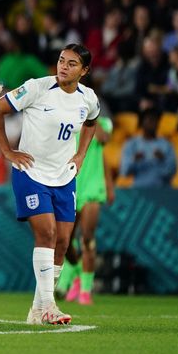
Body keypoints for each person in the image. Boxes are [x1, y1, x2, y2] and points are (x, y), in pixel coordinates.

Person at [0, 44, 101, 325]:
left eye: (72, 63)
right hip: (31, 172)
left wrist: (81, 154)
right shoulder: (36, 88)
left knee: (63, 242)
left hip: (63, 176)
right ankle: (50, 305)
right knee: (47, 233)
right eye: (62, 60)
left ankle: (38, 310)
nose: (63, 66)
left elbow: (92, 122)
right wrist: (7, 151)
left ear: (84, 71)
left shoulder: (88, 98)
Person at [57, 116, 114, 305]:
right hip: (72, 183)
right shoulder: (67, 118)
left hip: (92, 187)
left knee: (88, 238)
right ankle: (77, 272)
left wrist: (90, 118)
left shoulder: (102, 123)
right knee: (66, 240)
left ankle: (85, 291)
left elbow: (104, 139)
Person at [119, 108, 177, 187]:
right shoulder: (132, 144)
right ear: (142, 122)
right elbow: (124, 171)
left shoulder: (166, 145)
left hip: (162, 190)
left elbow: (172, 172)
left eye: (155, 120)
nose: (152, 123)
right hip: (140, 190)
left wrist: (162, 160)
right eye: (149, 120)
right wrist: (134, 160)